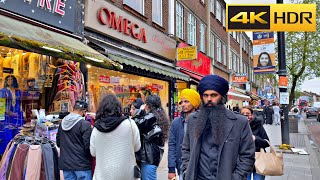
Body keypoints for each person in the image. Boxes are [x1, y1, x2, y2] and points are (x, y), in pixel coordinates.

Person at [181, 75, 255, 180]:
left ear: (222, 97)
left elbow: (247, 155)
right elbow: (186, 149)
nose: (209, 99)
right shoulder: (193, 119)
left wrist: (237, 177)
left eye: (213, 95)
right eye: (205, 95)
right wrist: (187, 170)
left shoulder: (240, 122)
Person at [90, 94, 141, 180]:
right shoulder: (130, 124)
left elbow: (93, 153)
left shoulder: (96, 128)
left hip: (102, 176)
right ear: (118, 108)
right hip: (127, 176)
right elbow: (137, 147)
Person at [133, 94, 169, 180]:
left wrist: (140, 111)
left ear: (148, 105)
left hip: (149, 158)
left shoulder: (151, 116)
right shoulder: (159, 115)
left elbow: (136, 123)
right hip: (153, 157)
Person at [168, 89, 201, 180]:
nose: (183, 104)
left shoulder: (202, 121)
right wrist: (171, 169)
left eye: (186, 101)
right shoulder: (176, 122)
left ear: (194, 102)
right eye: (181, 102)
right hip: (181, 167)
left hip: (200, 167)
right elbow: (172, 146)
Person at [57, 100, 93, 180]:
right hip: (82, 165)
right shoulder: (85, 124)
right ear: (84, 111)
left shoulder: (62, 123)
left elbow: (58, 143)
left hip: (66, 164)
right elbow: (88, 147)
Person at [241, 106, 270, 180]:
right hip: (243, 163)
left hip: (258, 160)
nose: (245, 116)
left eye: (248, 114)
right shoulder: (237, 127)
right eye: (242, 114)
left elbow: (266, 143)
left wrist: (255, 138)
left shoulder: (258, 125)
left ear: (252, 115)